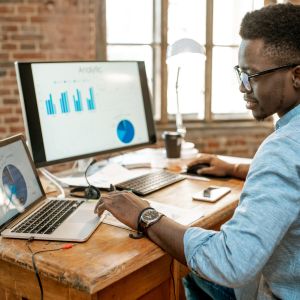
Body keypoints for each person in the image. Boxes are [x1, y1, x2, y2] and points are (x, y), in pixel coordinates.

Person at [95, 3, 300, 299]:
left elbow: (231, 262)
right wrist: (234, 169)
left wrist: (145, 215)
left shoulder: (283, 149)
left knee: (189, 274)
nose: (243, 87)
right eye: (239, 73)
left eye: (252, 75)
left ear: (296, 75)